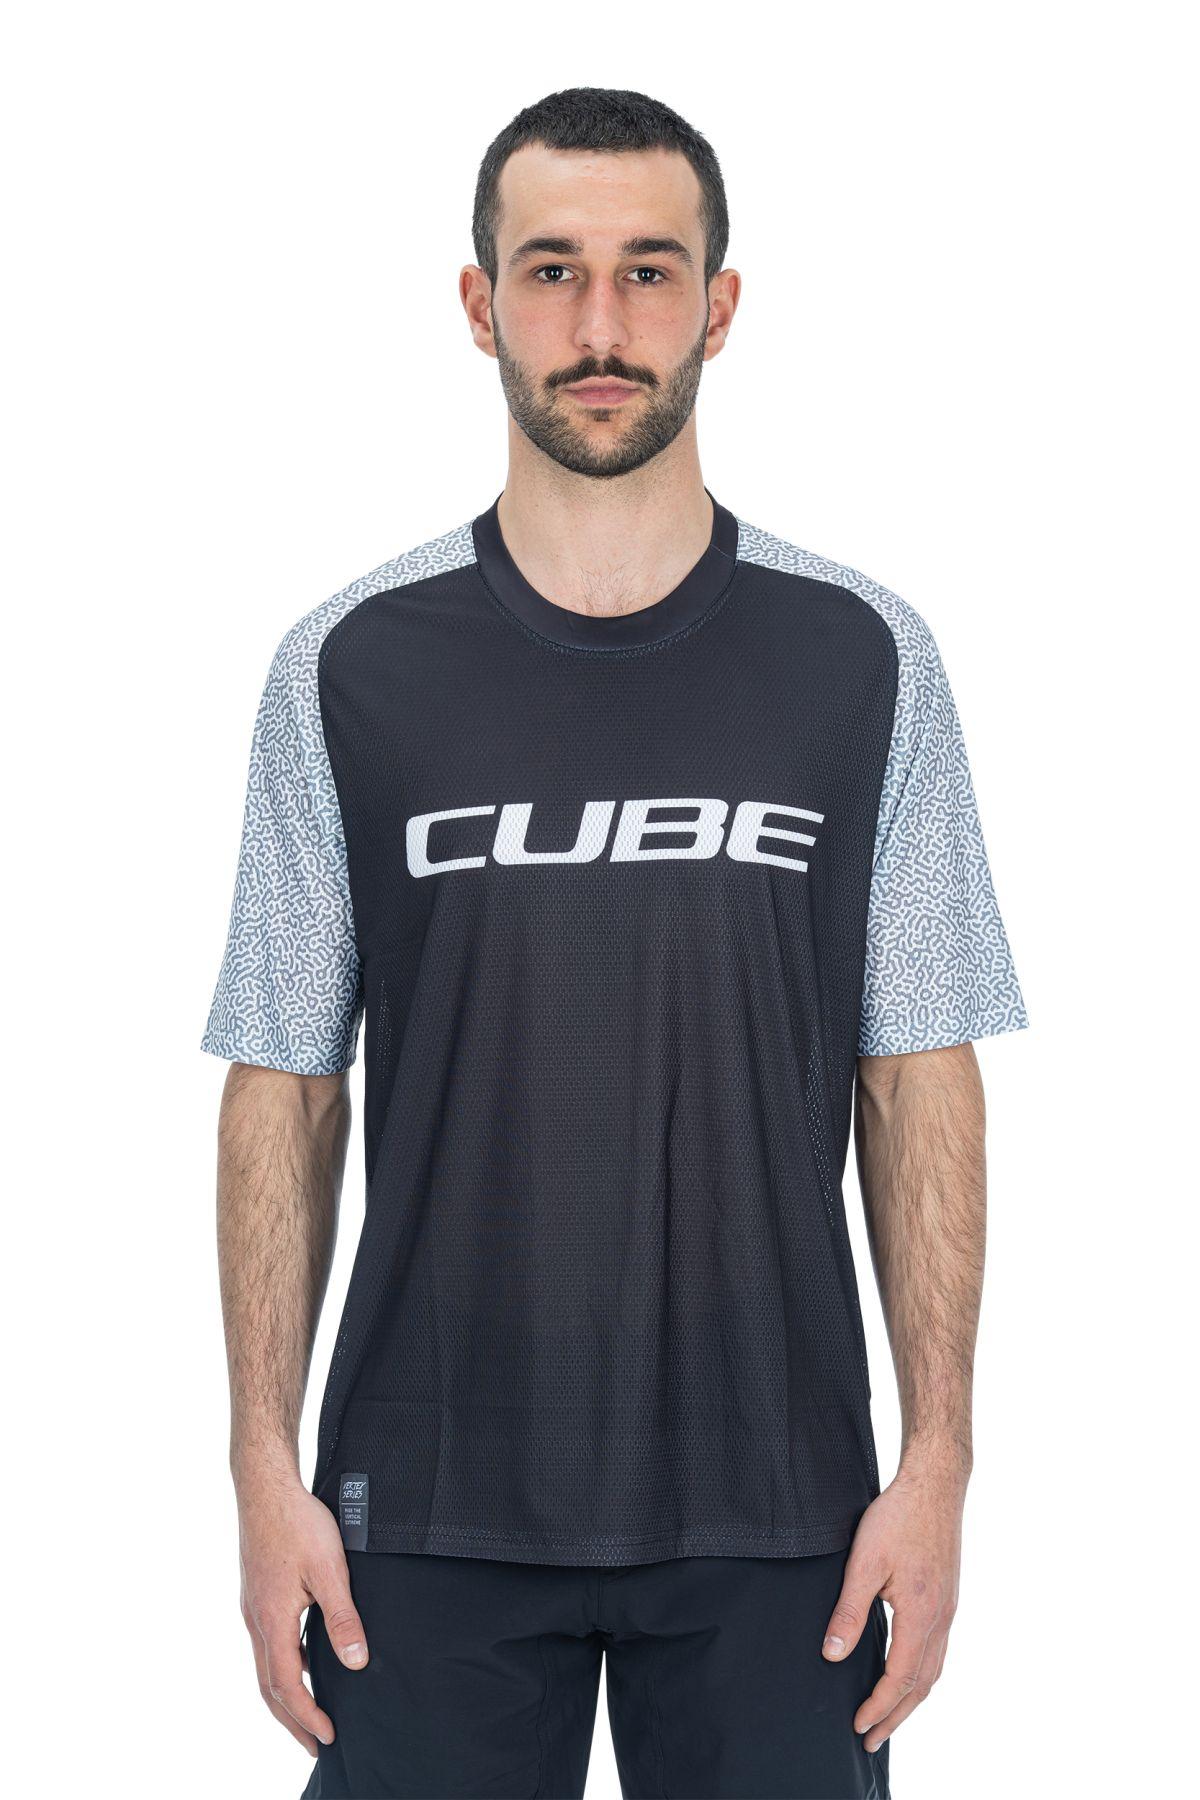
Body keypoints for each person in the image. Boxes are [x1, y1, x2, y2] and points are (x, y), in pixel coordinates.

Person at [202, 85, 1028, 1800]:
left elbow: (918, 1067)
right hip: (423, 1508)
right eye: (552, 270)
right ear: (479, 303)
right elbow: (285, 1081)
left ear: (719, 306)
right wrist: (261, 1469)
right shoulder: (349, 663)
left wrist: (939, 1458)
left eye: (649, 273)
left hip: (784, 1515)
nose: (599, 325)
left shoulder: (863, 656)